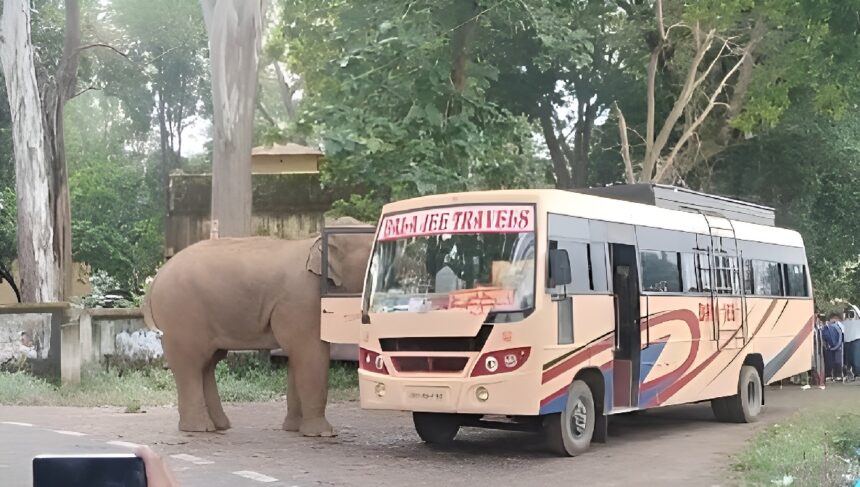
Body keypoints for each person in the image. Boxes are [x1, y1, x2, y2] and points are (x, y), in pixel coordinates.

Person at [822, 313, 844, 381]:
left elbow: (841, 336)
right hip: (830, 348)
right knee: (830, 362)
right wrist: (827, 346)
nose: (834, 320)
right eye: (832, 319)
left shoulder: (839, 326)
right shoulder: (825, 328)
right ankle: (830, 375)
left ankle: (838, 375)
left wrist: (837, 346)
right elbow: (823, 338)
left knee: (838, 361)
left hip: (837, 347)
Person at [843, 312, 860, 380]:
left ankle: (857, 373)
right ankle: (851, 373)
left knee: (856, 359)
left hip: (856, 341)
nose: (850, 315)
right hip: (847, 341)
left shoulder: (857, 321)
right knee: (849, 359)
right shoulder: (846, 322)